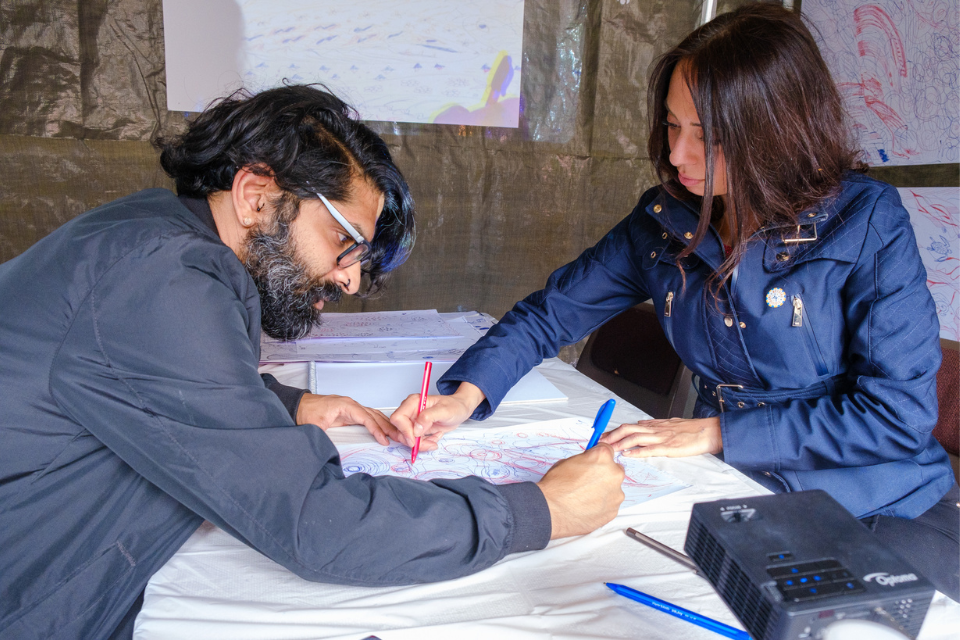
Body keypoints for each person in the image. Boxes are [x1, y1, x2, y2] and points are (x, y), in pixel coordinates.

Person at [0, 85, 626, 640]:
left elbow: (136, 375)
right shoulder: (169, 279)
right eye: (344, 242)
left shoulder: (155, 234)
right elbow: (315, 523)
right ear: (257, 195)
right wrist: (540, 511)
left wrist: (288, 402)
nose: (350, 281)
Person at [390, 4, 959, 599]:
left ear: (776, 129)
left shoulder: (866, 222)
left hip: (884, 510)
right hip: (736, 493)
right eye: (671, 125)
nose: (679, 156)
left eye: (707, 137)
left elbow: (898, 416)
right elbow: (551, 313)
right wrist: (464, 397)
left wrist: (717, 432)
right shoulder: (663, 220)